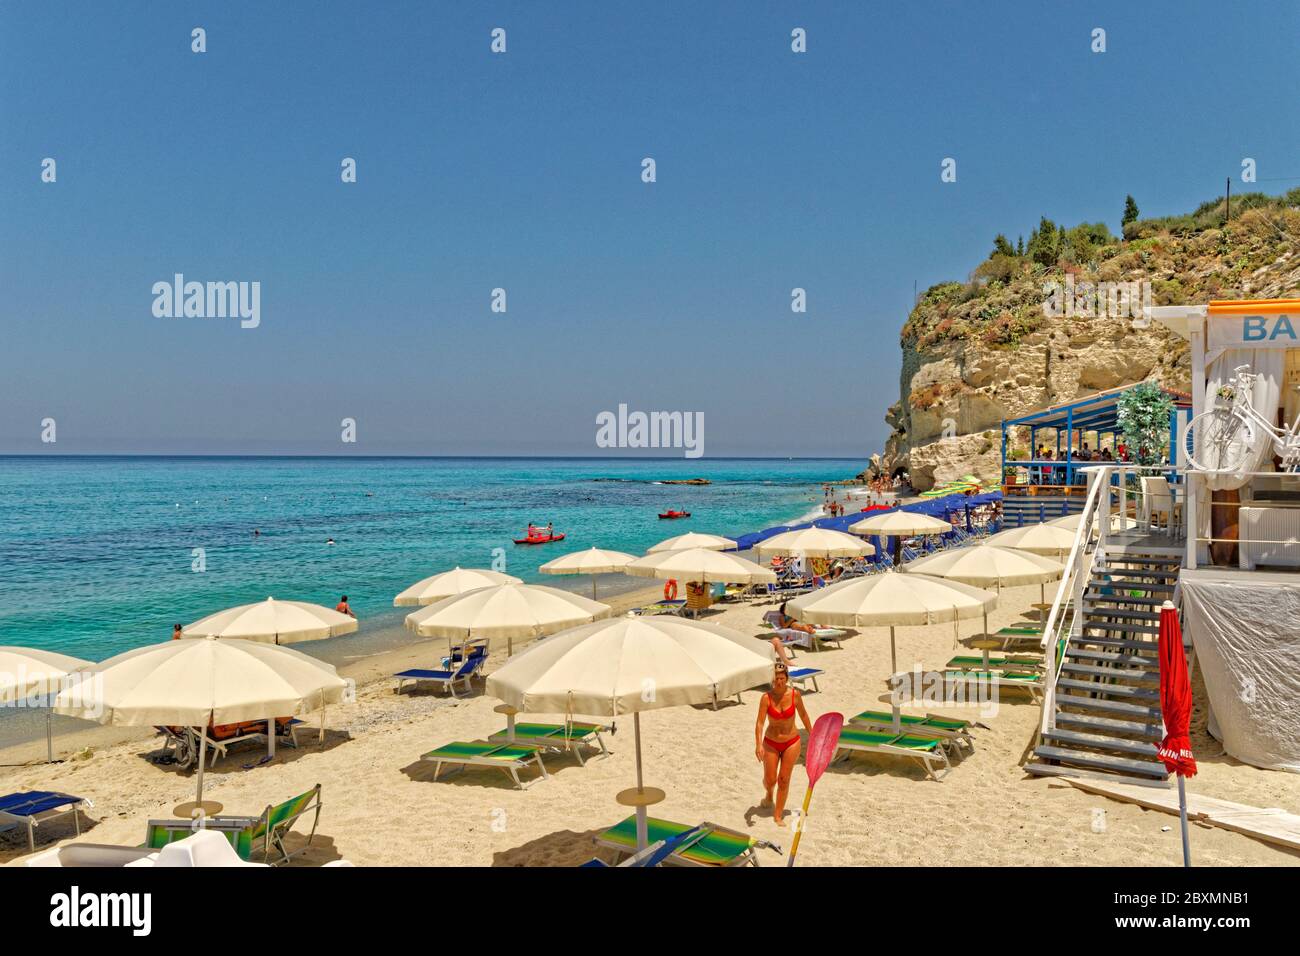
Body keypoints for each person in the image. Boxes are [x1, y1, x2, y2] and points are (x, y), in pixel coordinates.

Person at [755, 648, 814, 827]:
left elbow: (804, 715)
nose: (779, 682)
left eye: (782, 678)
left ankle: (778, 814)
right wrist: (758, 745)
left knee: (784, 779)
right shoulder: (766, 698)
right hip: (771, 742)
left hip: (791, 741)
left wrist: (813, 734)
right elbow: (759, 723)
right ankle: (768, 795)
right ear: (772, 679)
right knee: (771, 779)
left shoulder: (795, 695)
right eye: (776, 679)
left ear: (786, 679)